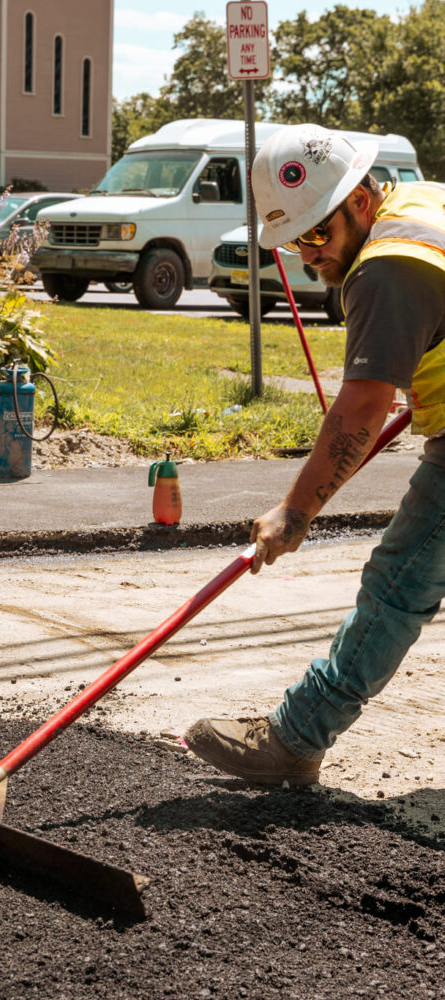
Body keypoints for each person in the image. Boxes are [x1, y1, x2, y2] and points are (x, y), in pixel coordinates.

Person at [185, 123, 445, 785]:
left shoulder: (389, 265)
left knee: (397, 585)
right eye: (294, 242)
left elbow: (361, 407)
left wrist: (296, 511)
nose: (308, 257)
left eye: (315, 235)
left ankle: (295, 740)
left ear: (361, 201)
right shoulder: (422, 206)